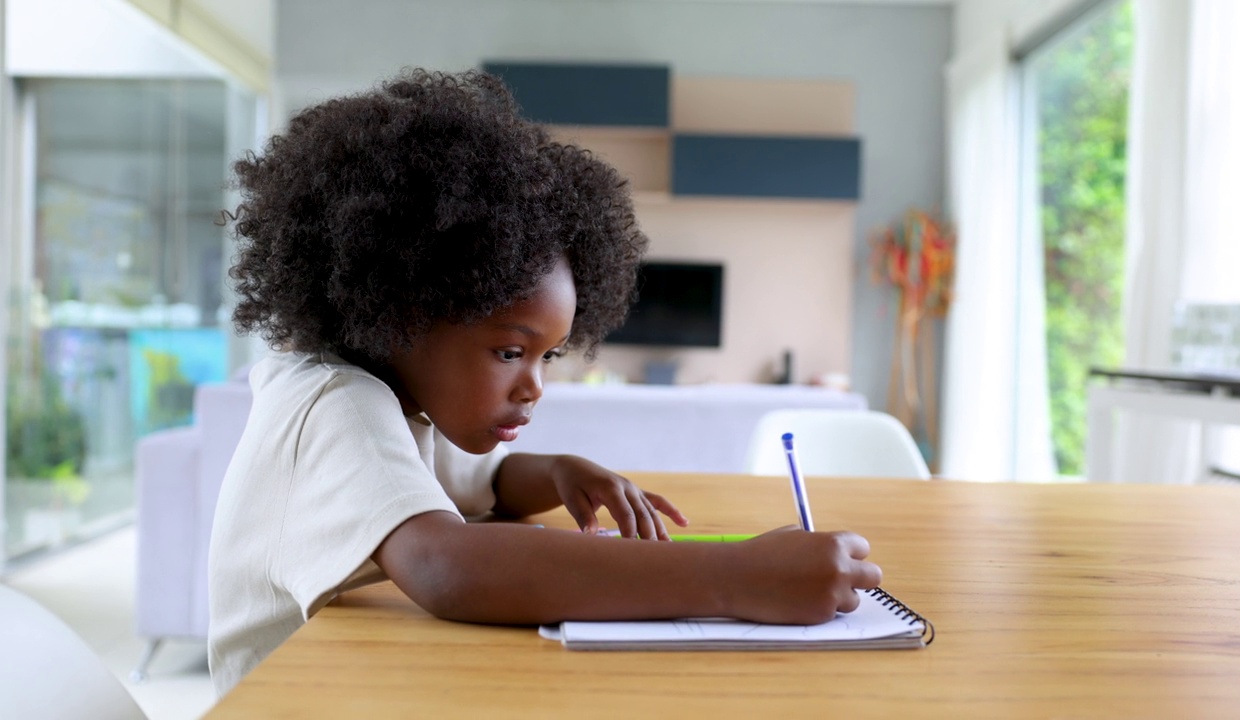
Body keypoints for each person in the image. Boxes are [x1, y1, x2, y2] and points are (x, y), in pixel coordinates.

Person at [207, 68, 882, 696]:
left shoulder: (405, 399)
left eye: (548, 358)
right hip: (286, 701)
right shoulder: (336, 404)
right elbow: (450, 568)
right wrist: (736, 579)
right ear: (401, 316)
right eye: (509, 351)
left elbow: (487, 484)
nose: (534, 387)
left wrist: (558, 470)